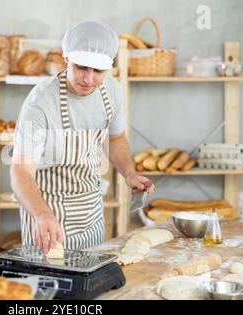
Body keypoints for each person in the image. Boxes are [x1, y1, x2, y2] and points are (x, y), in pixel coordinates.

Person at [10, 21, 154, 253]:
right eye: (81, 67)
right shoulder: (41, 102)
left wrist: (129, 173)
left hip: (90, 214)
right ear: (66, 58)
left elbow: (115, 139)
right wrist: (41, 214)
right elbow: (20, 171)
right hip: (49, 217)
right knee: (53, 286)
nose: (89, 79)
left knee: (94, 283)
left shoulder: (111, 91)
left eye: (98, 71)